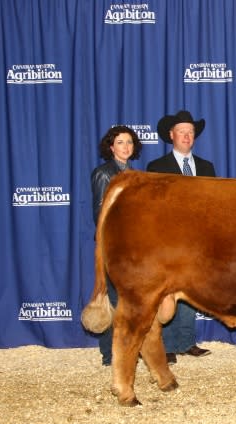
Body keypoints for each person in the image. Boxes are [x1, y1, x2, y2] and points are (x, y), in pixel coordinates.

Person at [147, 110, 215, 364]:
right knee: (167, 291)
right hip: (168, 239)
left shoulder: (207, 168)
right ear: (171, 135)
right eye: (182, 132)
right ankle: (166, 345)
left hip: (197, 241)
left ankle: (186, 341)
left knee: (189, 290)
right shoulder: (157, 168)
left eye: (191, 132)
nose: (187, 136)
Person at [90, 125, 142, 366]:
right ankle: (110, 354)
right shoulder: (103, 173)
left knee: (129, 298)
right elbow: (101, 215)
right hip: (113, 245)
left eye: (129, 142)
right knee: (112, 297)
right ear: (111, 147)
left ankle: (129, 348)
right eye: (120, 142)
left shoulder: (135, 174)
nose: (126, 147)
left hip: (133, 245)